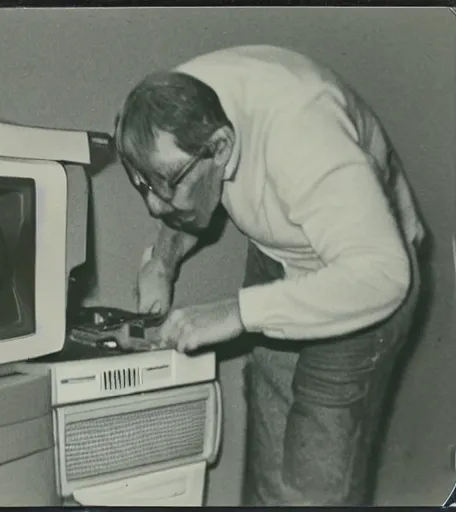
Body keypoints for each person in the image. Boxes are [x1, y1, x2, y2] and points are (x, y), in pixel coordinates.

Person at [113, 44, 425, 506]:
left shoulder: (302, 132)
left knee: (311, 487)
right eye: (144, 186)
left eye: (166, 188)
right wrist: (161, 261)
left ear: (221, 146)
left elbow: (382, 274)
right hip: (281, 250)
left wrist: (239, 312)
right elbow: (176, 185)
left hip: (361, 282)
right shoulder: (175, 102)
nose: (154, 206)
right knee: (270, 466)